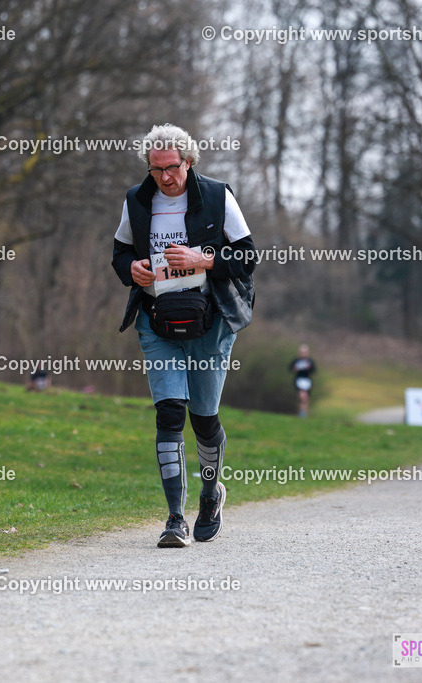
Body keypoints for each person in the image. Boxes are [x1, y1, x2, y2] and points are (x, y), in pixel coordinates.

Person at [111, 123, 256, 548]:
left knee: (203, 419)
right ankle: (175, 519)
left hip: (210, 322)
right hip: (157, 320)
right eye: (156, 170)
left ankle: (211, 495)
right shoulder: (138, 201)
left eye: (171, 168)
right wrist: (131, 270)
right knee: (170, 414)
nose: (164, 178)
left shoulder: (216, 196)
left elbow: (248, 256)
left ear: (189, 162)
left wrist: (203, 257)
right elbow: (120, 252)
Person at [289, 344, 316, 418]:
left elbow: (314, 371)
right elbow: (290, 369)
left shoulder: (310, 361)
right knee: (302, 396)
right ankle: (302, 413)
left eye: (304, 352)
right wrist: (295, 369)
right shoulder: (296, 360)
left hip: (307, 380)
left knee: (306, 398)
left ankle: (304, 414)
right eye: (301, 352)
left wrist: (308, 368)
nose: (303, 353)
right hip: (299, 380)